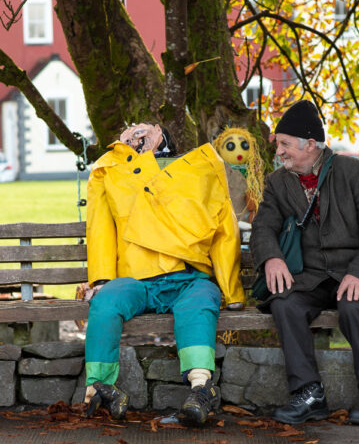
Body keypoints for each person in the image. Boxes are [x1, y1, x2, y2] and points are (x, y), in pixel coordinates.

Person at [83, 122, 245, 425]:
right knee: (105, 304)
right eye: (131, 134)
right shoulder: (111, 174)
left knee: (198, 305)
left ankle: (201, 388)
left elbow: (225, 231)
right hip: (137, 281)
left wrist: (231, 291)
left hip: (189, 278)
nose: (136, 137)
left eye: (144, 134)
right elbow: (100, 227)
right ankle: (98, 388)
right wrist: (102, 281)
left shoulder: (197, 171)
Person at [250, 99, 359, 426]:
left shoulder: (355, 172)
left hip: (355, 272)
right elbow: (263, 228)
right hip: (310, 277)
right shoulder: (278, 182)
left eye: (286, 145)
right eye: (280, 145)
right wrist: (272, 258)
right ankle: (309, 394)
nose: (280, 152)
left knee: (353, 305)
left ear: (312, 145)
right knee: (285, 304)